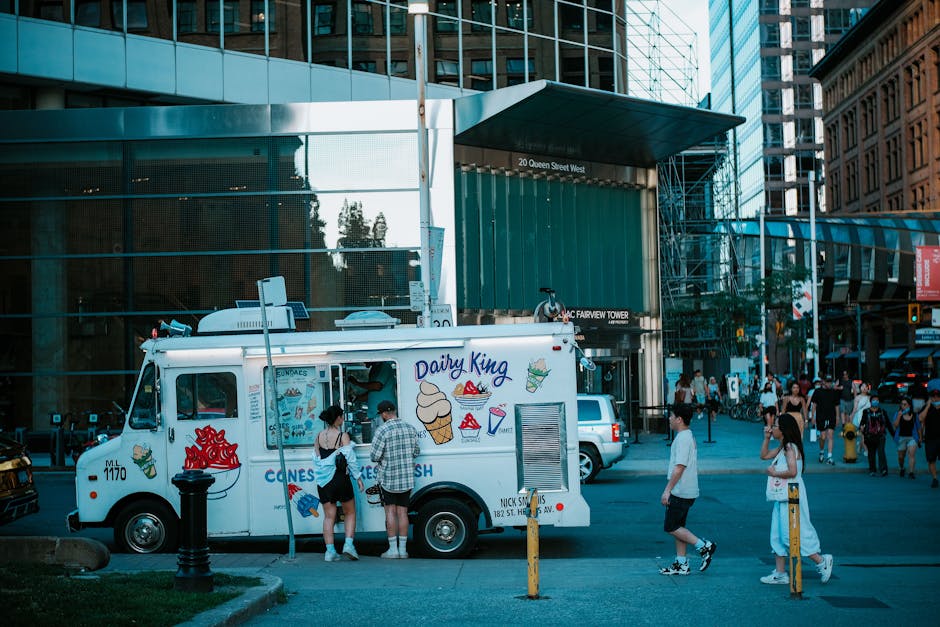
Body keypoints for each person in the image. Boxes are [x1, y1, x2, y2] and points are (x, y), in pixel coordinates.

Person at [759, 413, 833, 585]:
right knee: (777, 534)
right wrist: (766, 438)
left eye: (776, 426)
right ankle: (780, 572)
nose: (773, 428)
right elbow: (764, 455)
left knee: (792, 534)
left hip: (791, 497)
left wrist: (774, 472)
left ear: (784, 429)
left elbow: (792, 471)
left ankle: (821, 561)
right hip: (782, 496)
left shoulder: (789, 448)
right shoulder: (783, 446)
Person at [658, 404, 716, 575]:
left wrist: (667, 490)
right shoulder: (687, 436)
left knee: (671, 526)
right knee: (679, 527)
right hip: (687, 490)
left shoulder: (683, 438)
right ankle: (681, 563)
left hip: (681, 490)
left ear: (679, 419)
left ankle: (703, 546)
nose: (669, 419)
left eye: (671, 416)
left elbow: (680, 467)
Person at [313, 405, 365, 562]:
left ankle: (330, 552)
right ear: (337, 418)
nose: (343, 419)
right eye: (342, 416)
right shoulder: (343, 436)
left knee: (329, 517)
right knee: (350, 512)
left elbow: (317, 459)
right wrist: (358, 478)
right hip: (340, 478)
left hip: (324, 482)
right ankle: (348, 545)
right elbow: (351, 459)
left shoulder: (318, 437)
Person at [370, 400, 420, 559]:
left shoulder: (382, 431)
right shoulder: (410, 428)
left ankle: (393, 550)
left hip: (388, 479)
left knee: (390, 512)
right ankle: (403, 550)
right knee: (403, 512)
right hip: (406, 479)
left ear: (384, 414)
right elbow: (416, 452)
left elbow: (374, 456)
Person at [810, 375, 840, 465]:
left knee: (830, 435)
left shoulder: (834, 392)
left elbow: (837, 406)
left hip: (831, 416)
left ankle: (829, 456)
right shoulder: (818, 391)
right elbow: (814, 404)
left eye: (830, 382)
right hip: (821, 416)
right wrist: (812, 416)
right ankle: (822, 451)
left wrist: (838, 417)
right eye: (827, 382)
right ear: (823, 382)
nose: (829, 383)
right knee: (823, 437)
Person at [858, 391, 889, 477]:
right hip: (870, 436)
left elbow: (888, 424)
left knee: (881, 452)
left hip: (881, 436)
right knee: (871, 453)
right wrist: (861, 428)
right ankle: (872, 469)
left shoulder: (883, 412)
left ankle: (883, 469)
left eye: (877, 400)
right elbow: (862, 422)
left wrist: (894, 435)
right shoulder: (866, 412)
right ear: (871, 402)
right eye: (874, 400)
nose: (875, 401)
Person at [892, 397, 921, 479]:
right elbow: (895, 426)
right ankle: (902, 468)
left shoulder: (914, 415)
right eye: (902, 404)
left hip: (912, 437)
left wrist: (920, 437)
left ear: (909, 405)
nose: (903, 406)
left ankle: (911, 472)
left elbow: (918, 427)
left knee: (911, 454)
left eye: (905, 404)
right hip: (901, 438)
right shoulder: (898, 413)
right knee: (901, 457)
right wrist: (899, 416)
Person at [917, 388, 940, 488]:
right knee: (931, 460)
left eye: (937, 396)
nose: (935, 398)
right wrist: (928, 405)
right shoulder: (927, 407)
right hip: (930, 438)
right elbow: (920, 418)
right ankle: (935, 478)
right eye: (933, 397)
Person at [851, 382, 871, 457]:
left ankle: (860, 445)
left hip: (869, 419)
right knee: (863, 435)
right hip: (860, 418)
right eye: (862, 387)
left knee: (866, 435)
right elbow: (855, 409)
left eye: (866, 387)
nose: (864, 388)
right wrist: (851, 417)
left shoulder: (870, 398)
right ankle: (867, 450)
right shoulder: (857, 398)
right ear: (860, 388)